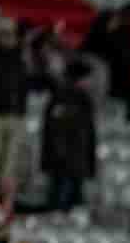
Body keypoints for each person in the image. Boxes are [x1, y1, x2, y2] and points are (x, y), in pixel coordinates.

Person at [41, 60, 97, 211]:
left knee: (75, 208)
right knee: (59, 207)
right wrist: (61, 159)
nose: (90, 82)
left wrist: (90, 164)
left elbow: (90, 135)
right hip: (63, 165)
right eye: (87, 78)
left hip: (78, 164)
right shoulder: (60, 99)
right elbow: (54, 133)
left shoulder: (85, 100)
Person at [0, 20, 29, 187]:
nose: (7, 39)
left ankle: (2, 197)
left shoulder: (21, 58)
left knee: (9, 161)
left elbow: (24, 85)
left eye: (10, 35)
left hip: (15, 113)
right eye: (3, 35)